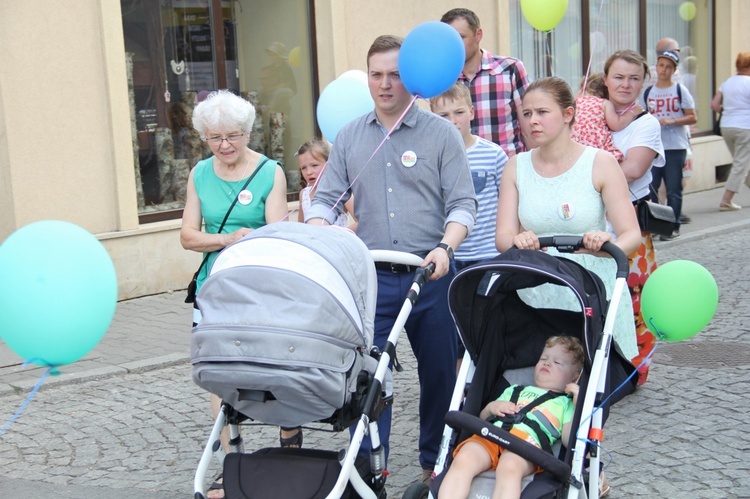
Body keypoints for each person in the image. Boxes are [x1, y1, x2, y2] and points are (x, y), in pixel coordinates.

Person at [306, 35, 477, 484]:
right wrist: (320, 225)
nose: (385, 85)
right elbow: (325, 199)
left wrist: (446, 246)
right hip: (371, 281)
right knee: (368, 376)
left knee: (440, 374)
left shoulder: (440, 134)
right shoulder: (348, 137)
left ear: (412, 78)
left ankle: (435, 463)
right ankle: (368, 469)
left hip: (432, 275)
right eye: (376, 75)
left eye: (395, 74)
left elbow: (463, 204)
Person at [180, 89, 288, 499]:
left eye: (233, 135)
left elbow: (278, 233)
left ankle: (288, 447)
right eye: (214, 138)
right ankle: (231, 462)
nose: (224, 145)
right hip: (215, 287)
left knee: (273, 367)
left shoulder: (269, 171)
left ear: (247, 131)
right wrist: (227, 239)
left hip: (260, 285)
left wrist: (252, 241)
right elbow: (188, 236)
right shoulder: (199, 174)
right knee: (216, 375)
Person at [495, 76, 642, 367]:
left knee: (593, 385)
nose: (532, 121)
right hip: (538, 289)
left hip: (591, 289)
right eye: (527, 114)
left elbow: (631, 234)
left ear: (568, 114)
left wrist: (606, 244)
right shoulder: (516, 166)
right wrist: (518, 241)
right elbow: (503, 237)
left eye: (542, 112)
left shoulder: (600, 163)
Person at [438, 336, 584, 499]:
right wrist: (491, 407)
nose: (547, 363)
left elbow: (568, 439)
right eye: (543, 358)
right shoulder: (514, 389)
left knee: (509, 466)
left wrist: (578, 406)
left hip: (526, 445)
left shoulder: (566, 403)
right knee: (464, 458)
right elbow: (483, 417)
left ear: (574, 378)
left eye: (557, 363)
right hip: (493, 434)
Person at [602, 50, 666, 384]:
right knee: (595, 300)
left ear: (644, 82)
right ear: (605, 79)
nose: (625, 84)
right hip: (591, 223)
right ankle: (596, 369)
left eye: (634, 78)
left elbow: (633, 169)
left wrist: (590, 173)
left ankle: (633, 372)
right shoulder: (590, 114)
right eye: (619, 76)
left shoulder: (647, 123)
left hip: (631, 230)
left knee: (635, 302)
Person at [430, 82, 508, 269]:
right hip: (446, 255)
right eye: (443, 116)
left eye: (459, 113)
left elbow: (510, 205)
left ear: (471, 112)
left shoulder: (494, 155)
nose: (452, 121)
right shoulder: (429, 158)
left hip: (489, 255)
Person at [441, 8, 529, 158]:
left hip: (507, 170)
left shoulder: (510, 69)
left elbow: (528, 126)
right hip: (462, 172)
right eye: (449, 39)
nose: (454, 44)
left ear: (478, 35)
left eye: (461, 37)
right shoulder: (442, 78)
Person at [642, 50, 697, 241]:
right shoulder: (649, 92)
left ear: (674, 70)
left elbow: (692, 116)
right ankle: (659, 224)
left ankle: (673, 226)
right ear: (656, 67)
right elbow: (641, 115)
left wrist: (672, 121)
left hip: (675, 146)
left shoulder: (680, 90)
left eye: (668, 67)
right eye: (661, 65)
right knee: (652, 187)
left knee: (673, 188)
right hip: (654, 147)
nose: (663, 70)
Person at [571, 72, 644, 162]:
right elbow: (616, 125)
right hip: (595, 145)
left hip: (573, 145)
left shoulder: (575, 102)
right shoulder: (604, 103)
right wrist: (632, 112)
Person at [711, 51, 750, 211]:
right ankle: (726, 200)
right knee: (741, 163)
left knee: (744, 161)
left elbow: (714, 105)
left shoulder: (727, 82)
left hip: (726, 126)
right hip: (745, 126)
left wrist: (729, 110)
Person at [296, 138, 357, 230]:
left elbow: (361, 222)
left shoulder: (341, 192)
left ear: (329, 164)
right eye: (303, 168)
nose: (309, 172)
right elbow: (301, 226)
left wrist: (340, 234)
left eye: (314, 165)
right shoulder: (304, 194)